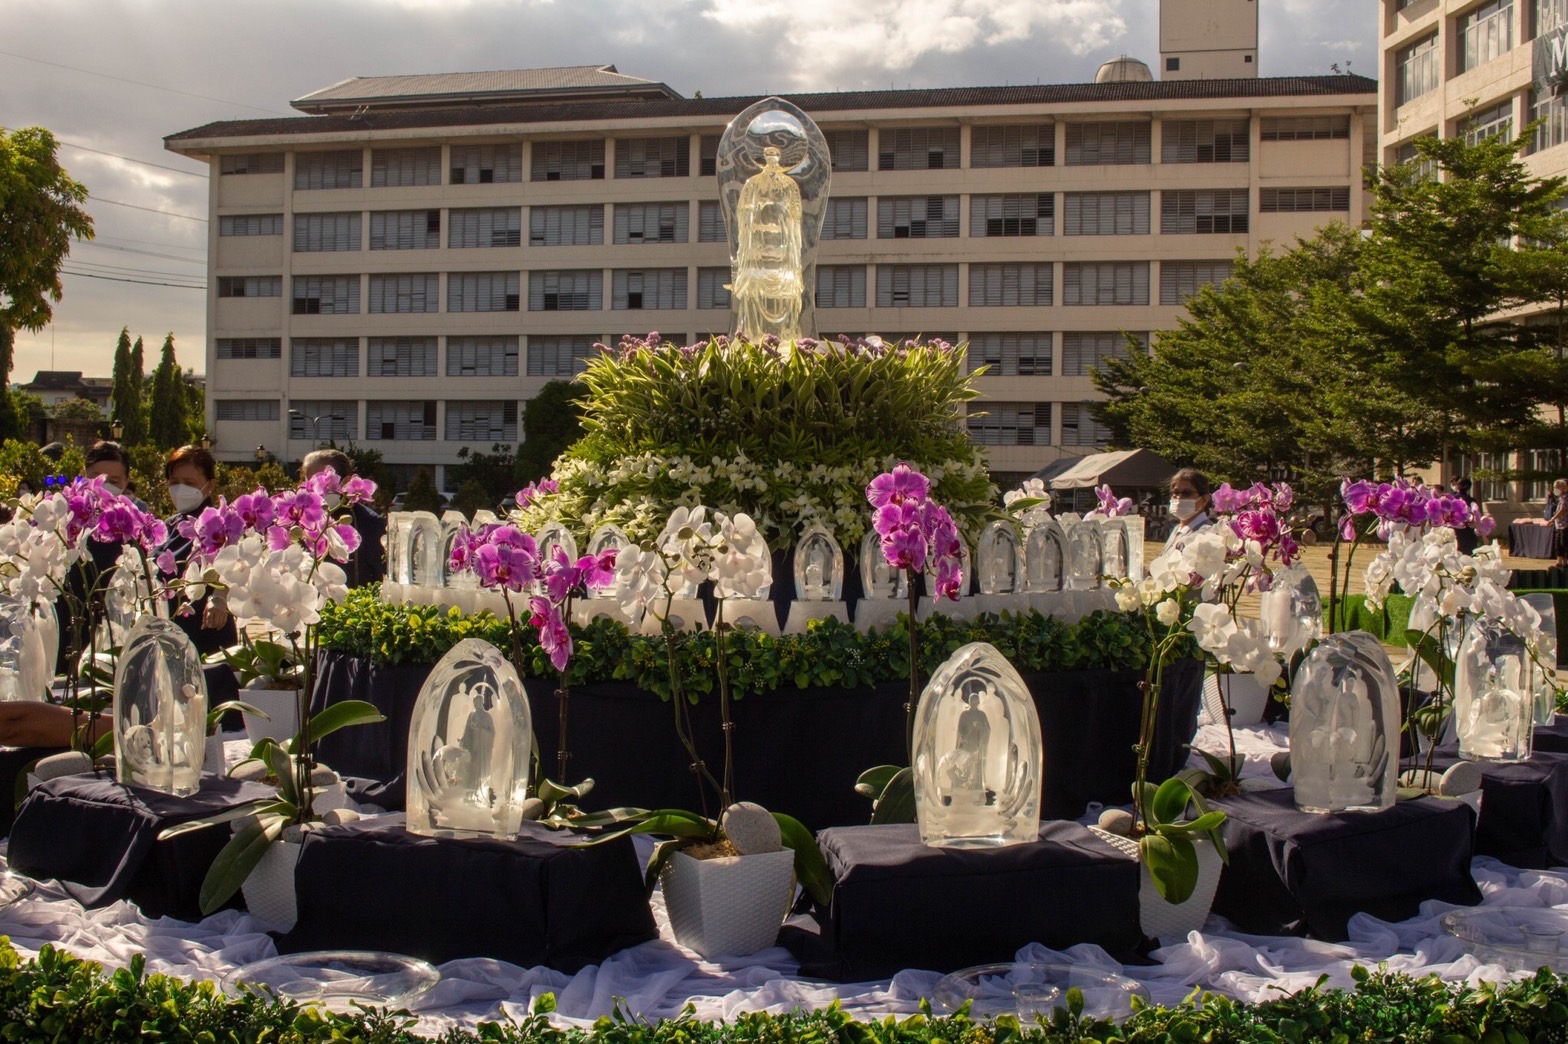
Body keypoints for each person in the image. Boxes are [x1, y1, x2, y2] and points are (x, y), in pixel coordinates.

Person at [55, 441, 136, 672]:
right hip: (66, 624)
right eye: (96, 478)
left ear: (126, 482)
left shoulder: (132, 527)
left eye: (114, 481)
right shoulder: (64, 517)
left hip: (110, 635)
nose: (104, 486)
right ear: (83, 476)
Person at [157, 445, 238, 655]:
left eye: (190, 483)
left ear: (210, 485)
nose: (180, 489)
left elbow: (235, 563)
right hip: (169, 629)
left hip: (207, 627)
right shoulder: (168, 526)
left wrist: (219, 597)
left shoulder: (223, 522)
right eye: (174, 482)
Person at [300, 448, 386, 587]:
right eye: (308, 482)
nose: (312, 490)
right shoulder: (299, 521)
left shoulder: (369, 523)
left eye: (320, 482)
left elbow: (378, 576)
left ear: (346, 481)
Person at [1162, 468, 1215, 553]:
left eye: (1187, 493)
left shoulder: (1205, 534)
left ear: (1204, 499)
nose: (1179, 497)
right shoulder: (1178, 529)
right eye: (1175, 493)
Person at [1452, 477, 1482, 554]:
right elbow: (1477, 516)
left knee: (1456, 551)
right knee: (1468, 552)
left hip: (1455, 528)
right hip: (1469, 529)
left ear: (1457, 486)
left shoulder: (1452, 499)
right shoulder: (1472, 500)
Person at [1554, 479, 1568, 570]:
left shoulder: (1565, 497)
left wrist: (1552, 519)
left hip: (1565, 525)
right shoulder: (1560, 498)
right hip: (1559, 525)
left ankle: (1565, 563)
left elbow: (1563, 509)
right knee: (1558, 544)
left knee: (1564, 544)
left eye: (1556, 487)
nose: (1555, 489)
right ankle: (1559, 562)